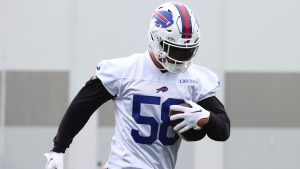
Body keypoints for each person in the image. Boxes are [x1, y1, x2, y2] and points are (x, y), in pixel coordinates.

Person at [44, 1, 230, 169]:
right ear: (155, 39)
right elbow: (82, 106)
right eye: (174, 50)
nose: (180, 58)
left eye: (186, 52)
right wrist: (58, 148)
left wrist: (206, 118)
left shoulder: (195, 79)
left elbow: (223, 130)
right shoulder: (125, 71)